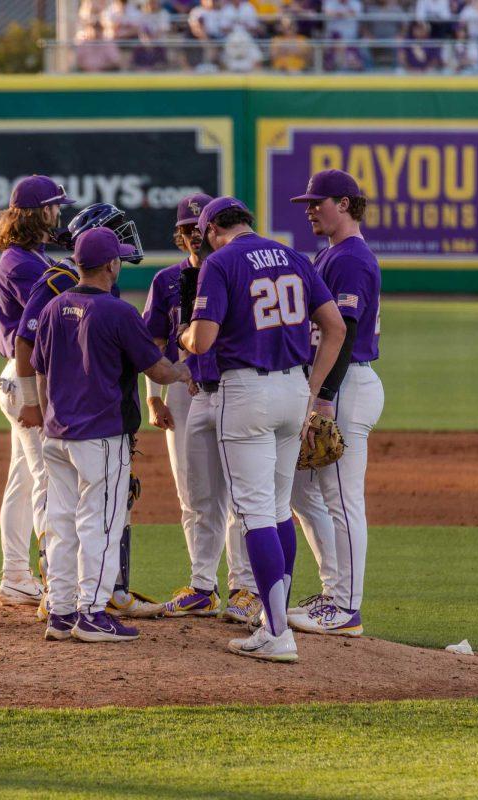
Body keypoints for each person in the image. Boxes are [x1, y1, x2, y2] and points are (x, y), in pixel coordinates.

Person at [179, 197, 346, 662]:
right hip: (294, 389)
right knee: (276, 509)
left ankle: (276, 632)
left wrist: (184, 337)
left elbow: (204, 339)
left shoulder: (221, 261)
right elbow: (334, 327)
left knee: (253, 512)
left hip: (245, 392)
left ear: (214, 231)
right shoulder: (292, 255)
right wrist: (313, 389)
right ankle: (275, 620)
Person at [33, 228, 191, 643]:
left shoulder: (54, 308)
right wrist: (184, 368)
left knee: (62, 525)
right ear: (110, 266)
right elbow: (156, 368)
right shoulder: (117, 312)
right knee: (101, 526)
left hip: (57, 436)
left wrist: (53, 415)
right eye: (118, 258)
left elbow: (40, 368)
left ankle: (62, 611)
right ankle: (92, 613)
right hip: (101, 437)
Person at [16, 202, 165, 621]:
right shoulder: (62, 282)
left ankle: (70, 604)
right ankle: (87, 608)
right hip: (77, 413)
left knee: (70, 513)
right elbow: (26, 345)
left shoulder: (92, 291)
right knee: (89, 514)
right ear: (107, 260)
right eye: (115, 237)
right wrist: (32, 402)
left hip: (65, 414)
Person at [143, 194, 263, 625]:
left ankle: (245, 587)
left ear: (213, 230)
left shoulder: (234, 271)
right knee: (194, 493)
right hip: (180, 391)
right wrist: (153, 395)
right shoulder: (166, 281)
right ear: (179, 236)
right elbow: (152, 343)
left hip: (231, 386)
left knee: (238, 494)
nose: (194, 235)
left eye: (200, 227)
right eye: (187, 229)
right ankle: (201, 587)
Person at [287, 170, 384, 638]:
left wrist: (322, 398)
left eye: (317, 201)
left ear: (344, 204)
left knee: (343, 499)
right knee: (302, 493)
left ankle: (347, 607)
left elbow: (341, 336)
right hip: (330, 384)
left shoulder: (350, 260)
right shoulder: (331, 254)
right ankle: (333, 591)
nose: (309, 209)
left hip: (344, 386)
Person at [0, 175, 74, 608]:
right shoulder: (24, 265)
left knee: (21, 482)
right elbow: (44, 328)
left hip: (16, 377)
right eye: (55, 207)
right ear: (41, 212)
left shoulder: (24, 258)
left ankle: (17, 577)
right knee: (46, 482)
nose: (60, 213)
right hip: (28, 382)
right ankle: (56, 585)